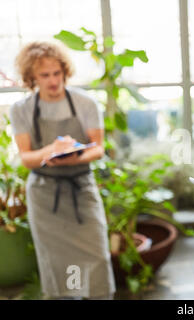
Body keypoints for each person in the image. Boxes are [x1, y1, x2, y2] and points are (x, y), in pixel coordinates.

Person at [10, 41, 115, 299]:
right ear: (31, 77)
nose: (53, 80)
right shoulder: (21, 110)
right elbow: (26, 158)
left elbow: (98, 148)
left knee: (96, 257)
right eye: (45, 75)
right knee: (57, 266)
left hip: (81, 189)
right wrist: (52, 149)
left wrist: (72, 158)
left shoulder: (85, 103)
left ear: (65, 71)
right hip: (45, 197)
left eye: (57, 73)